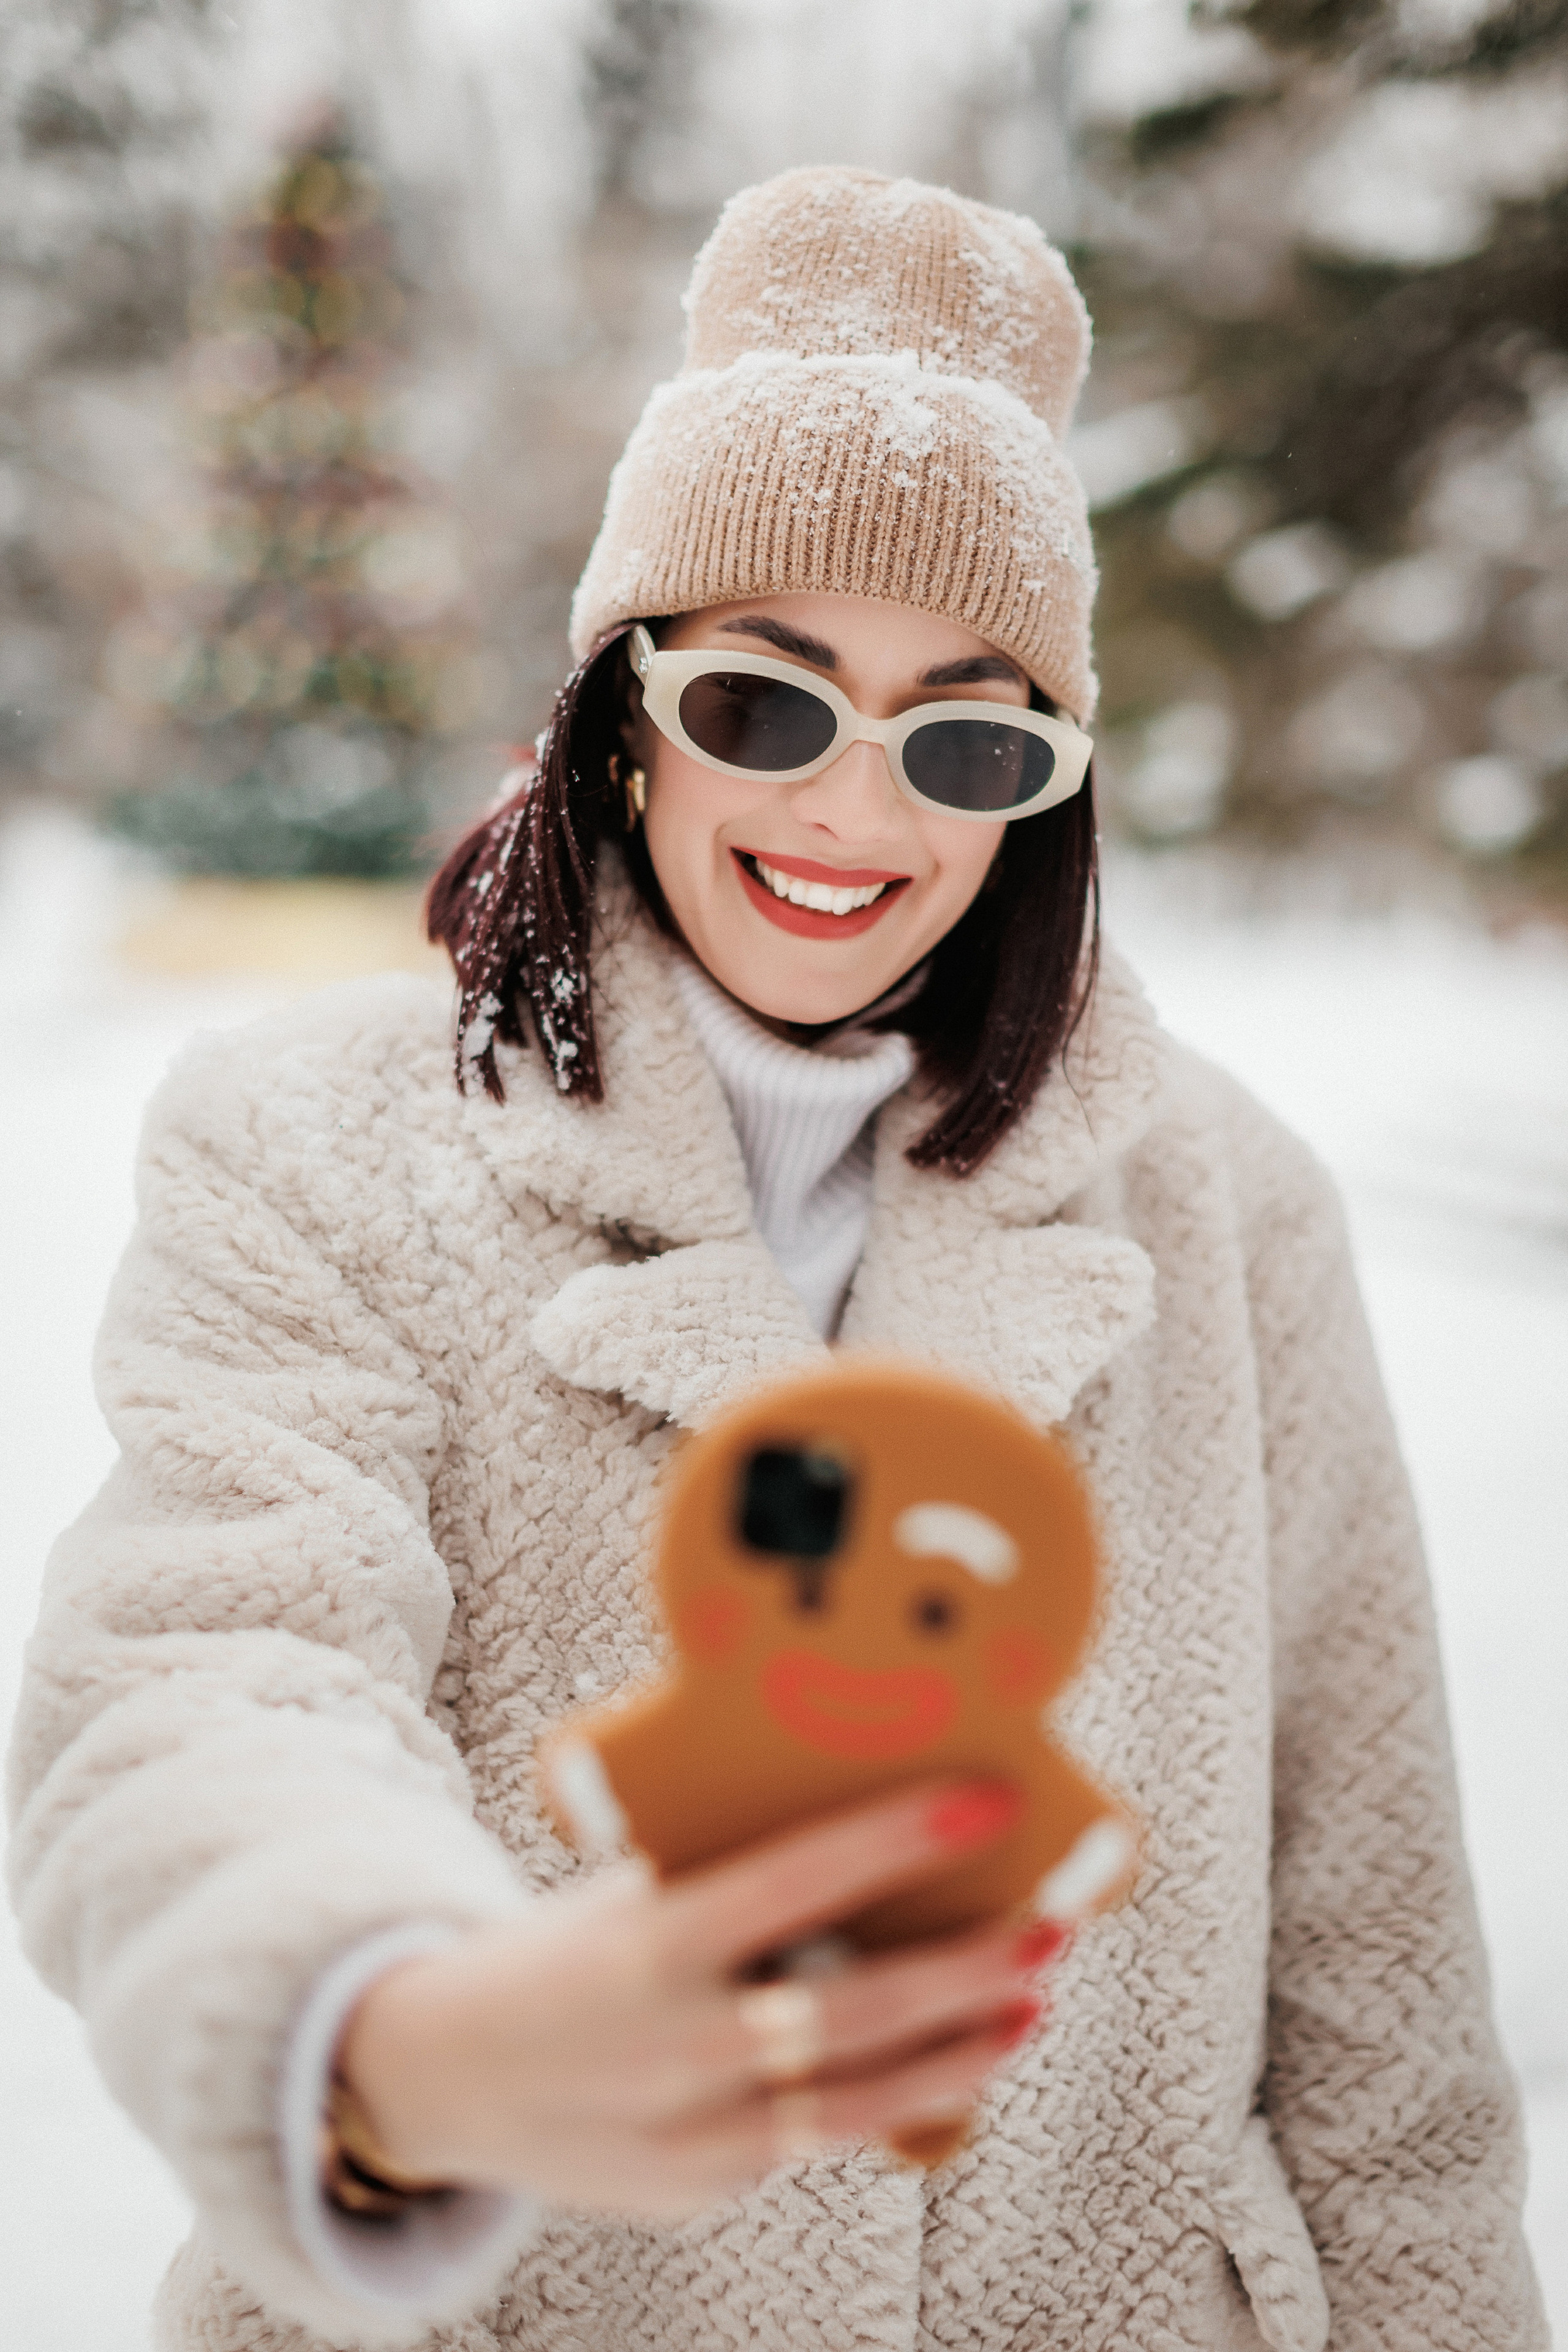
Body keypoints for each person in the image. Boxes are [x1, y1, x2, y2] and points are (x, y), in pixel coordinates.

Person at [6, 167, 1545, 2352]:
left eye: (972, 732)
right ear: (624, 712)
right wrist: (402, 2034)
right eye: (768, 700)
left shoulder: (1229, 1206)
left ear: (1048, 788)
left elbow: (1378, 1970)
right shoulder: (312, 1142)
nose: (854, 813)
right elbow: (209, 1680)